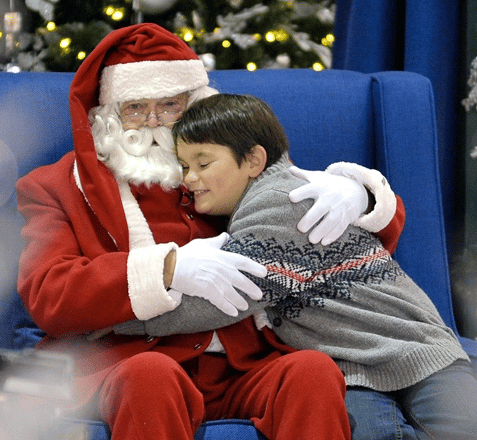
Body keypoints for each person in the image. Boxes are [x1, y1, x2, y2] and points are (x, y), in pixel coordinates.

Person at [16, 24, 405, 439]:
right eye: (135, 108)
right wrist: (165, 269)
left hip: (244, 364)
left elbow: (334, 238)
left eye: (169, 105)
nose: (152, 122)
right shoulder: (57, 187)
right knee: (151, 376)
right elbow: (48, 294)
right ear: (108, 116)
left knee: (311, 371)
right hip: (128, 364)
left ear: (195, 104)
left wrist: (357, 195)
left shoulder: (227, 167)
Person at [124, 92, 477, 440]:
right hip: (361, 367)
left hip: (413, 349)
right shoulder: (280, 193)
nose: (188, 179)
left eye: (202, 164)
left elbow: (228, 299)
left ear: (253, 161)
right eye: (184, 166)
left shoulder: (279, 203)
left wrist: (121, 319)